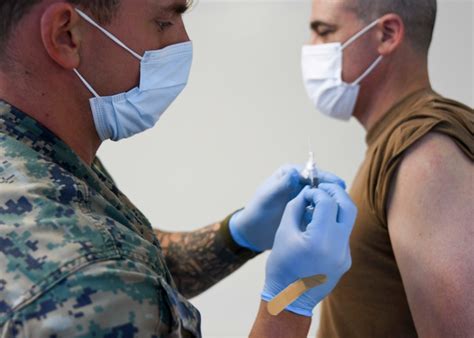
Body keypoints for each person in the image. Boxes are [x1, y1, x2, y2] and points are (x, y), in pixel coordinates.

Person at [0, 1, 358, 337]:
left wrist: (238, 235)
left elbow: (139, 263)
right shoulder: (83, 287)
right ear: (67, 34)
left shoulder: (34, 149)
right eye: (163, 21)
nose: (182, 40)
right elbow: (109, 273)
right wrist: (291, 298)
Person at [301, 0, 473, 337]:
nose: (311, 48)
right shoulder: (397, 141)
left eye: (324, 31)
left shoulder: (425, 149)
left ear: (387, 34)